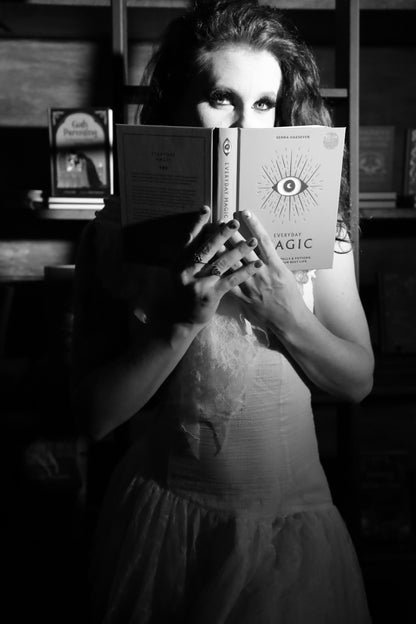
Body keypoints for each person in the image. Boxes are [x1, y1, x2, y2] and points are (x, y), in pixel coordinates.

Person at [71, 1, 374, 622]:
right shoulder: (115, 233)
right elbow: (93, 416)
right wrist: (180, 323)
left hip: (293, 529)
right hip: (166, 522)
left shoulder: (323, 228)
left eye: (264, 104)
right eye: (222, 99)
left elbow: (358, 381)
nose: (245, 128)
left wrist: (288, 314)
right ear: (180, 105)